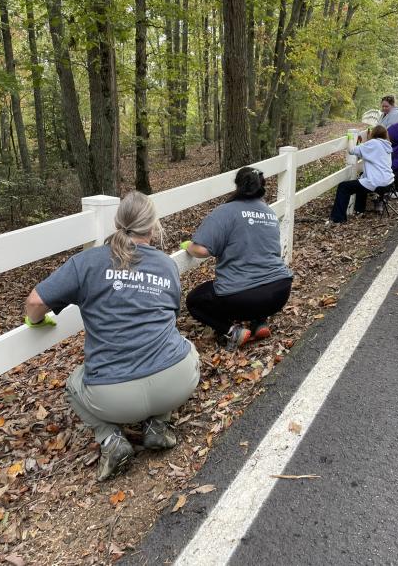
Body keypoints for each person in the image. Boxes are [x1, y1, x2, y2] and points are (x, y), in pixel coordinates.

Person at [25, 191, 200, 482]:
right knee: (184, 349)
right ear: (153, 225)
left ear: (118, 223)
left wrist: (36, 321)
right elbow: (171, 314)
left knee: (73, 385)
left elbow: (34, 303)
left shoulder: (87, 262)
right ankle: (158, 425)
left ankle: (111, 439)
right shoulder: (167, 265)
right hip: (175, 383)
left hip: (113, 398)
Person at [182, 167, 293, 349]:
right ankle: (259, 323)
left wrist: (189, 246)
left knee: (194, 301)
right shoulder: (269, 213)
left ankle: (232, 330)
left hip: (244, 297)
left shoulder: (225, 211)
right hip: (280, 291)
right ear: (262, 186)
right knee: (256, 279)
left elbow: (202, 250)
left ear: (237, 185)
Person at [329, 125, 393, 223]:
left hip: (377, 183)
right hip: (389, 183)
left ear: (374, 133)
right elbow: (367, 150)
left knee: (343, 187)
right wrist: (365, 140)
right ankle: (359, 210)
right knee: (362, 179)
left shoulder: (373, 143)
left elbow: (352, 150)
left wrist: (350, 138)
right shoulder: (387, 145)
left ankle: (338, 218)